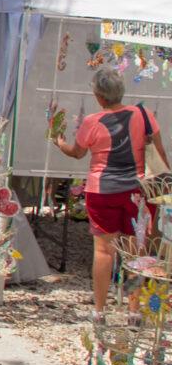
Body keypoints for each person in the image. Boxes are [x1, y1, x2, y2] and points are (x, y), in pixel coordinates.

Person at [53, 65, 169, 321]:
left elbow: (77, 153)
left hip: (102, 191)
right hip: (138, 192)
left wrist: (59, 142)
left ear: (99, 96)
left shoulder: (92, 122)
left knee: (104, 251)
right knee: (135, 251)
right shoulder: (145, 115)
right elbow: (160, 154)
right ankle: (133, 311)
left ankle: (100, 310)